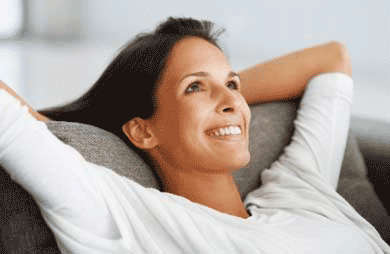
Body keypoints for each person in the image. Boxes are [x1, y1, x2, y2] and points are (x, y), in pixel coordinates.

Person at [1, 16, 389, 253]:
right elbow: (12, 125)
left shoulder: (298, 185)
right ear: (141, 130)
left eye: (232, 83)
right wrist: (47, 126)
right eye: (194, 87)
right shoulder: (134, 218)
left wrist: (217, 102)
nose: (232, 99)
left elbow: (331, 59)